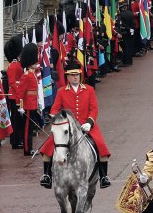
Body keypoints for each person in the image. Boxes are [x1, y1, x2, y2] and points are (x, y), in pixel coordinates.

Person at [39, 58, 112, 189]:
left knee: (101, 146)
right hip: (67, 126)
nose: (75, 77)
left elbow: (94, 109)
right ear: (67, 76)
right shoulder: (61, 91)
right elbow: (55, 109)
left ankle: (103, 177)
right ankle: (47, 175)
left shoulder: (89, 89)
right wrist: (56, 119)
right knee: (48, 147)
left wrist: (89, 123)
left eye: (77, 74)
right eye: (72, 75)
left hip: (86, 124)